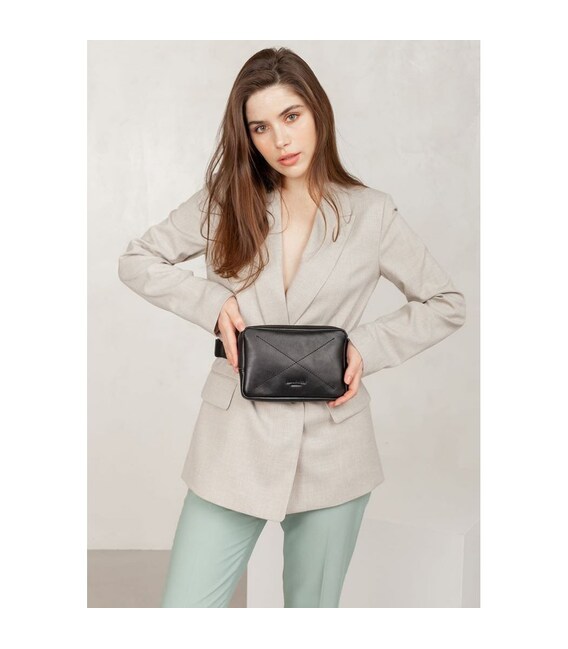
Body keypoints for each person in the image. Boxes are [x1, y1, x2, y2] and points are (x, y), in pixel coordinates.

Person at [117, 47, 466, 608]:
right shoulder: (227, 201)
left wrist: (364, 347)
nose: (279, 140)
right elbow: (138, 260)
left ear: (317, 111)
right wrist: (211, 302)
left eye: (291, 116)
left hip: (333, 446)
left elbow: (445, 302)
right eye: (260, 127)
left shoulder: (372, 213)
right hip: (233, 440)